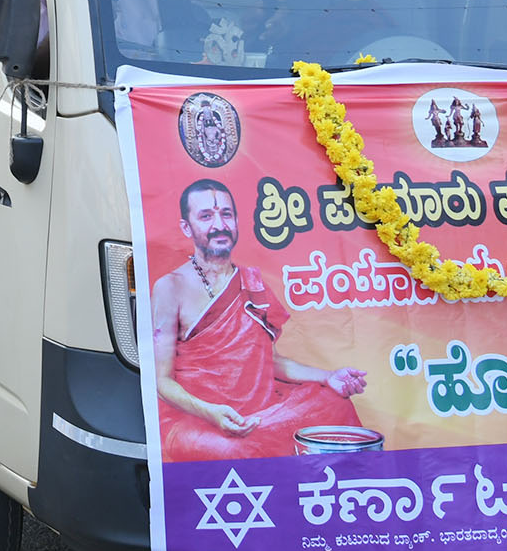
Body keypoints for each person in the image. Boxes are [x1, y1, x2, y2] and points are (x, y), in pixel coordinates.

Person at [153, 179, 367, 460]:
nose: (219, 224)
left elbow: (268, 361)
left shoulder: (251, 282)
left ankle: (328, 499)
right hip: (199, 420)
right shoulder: (171, 287)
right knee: (238, 451)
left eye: (226, 214)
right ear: (186, 227)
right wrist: (211, 412)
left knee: (336, 405)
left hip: (259, 412)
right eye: (206, 216)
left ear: (237, 221)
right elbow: (161, 381)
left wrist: (328, 377)